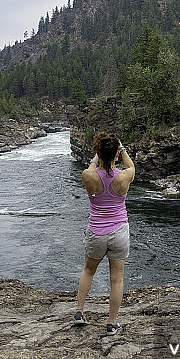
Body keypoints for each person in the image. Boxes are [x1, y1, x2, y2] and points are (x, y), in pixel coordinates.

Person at [74, 131, 135, 334]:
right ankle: (111, 323)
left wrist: (96, 158)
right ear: (116, 154)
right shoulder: (124, 177)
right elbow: (131, 167)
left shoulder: (88, 176)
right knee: (117, 279)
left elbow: (91, 169)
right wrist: (122, 149)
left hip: (96, 231)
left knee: (88, 270)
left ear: (98, 154)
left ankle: (80, 312)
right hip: (119, 231)